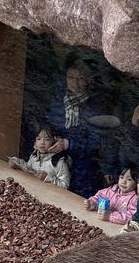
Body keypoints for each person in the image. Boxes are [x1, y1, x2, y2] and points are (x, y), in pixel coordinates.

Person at [42, 60, 114, 197]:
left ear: (88, 80)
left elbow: (96, 142)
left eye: (80, 78)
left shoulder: (95, 106)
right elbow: (48, 124)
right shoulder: (58, 99)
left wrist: (68, 143)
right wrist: (50, 140)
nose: (75, 82)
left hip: (84, 169)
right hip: (56, 163)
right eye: (71, 77)